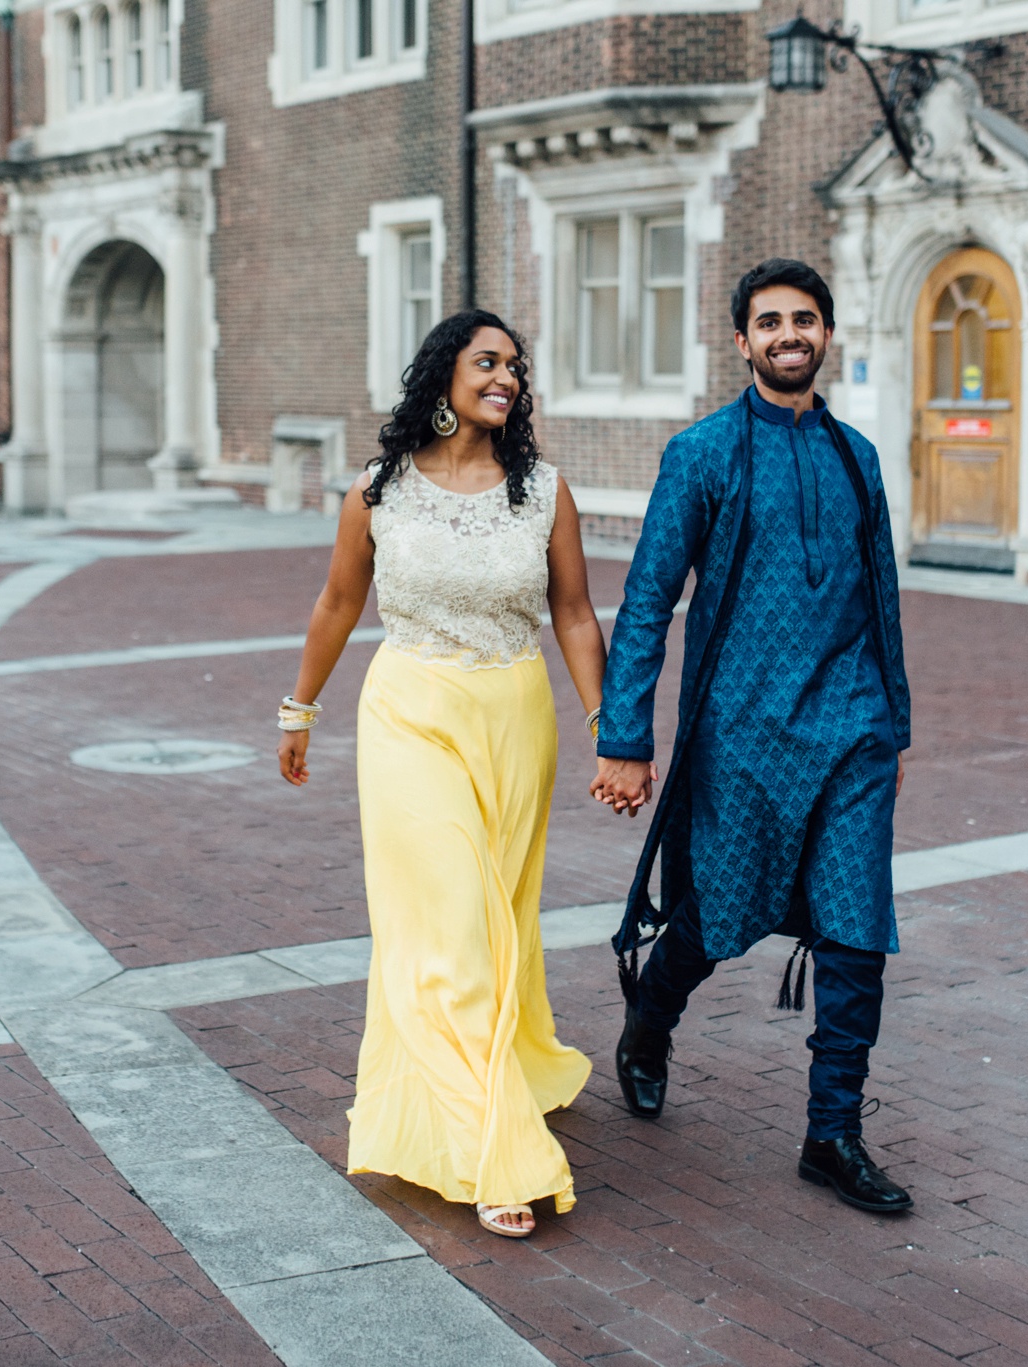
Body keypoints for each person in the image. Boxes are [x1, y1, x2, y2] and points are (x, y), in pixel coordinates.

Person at [589, 259, 915, 1214]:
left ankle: (834, 1133)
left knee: (857, 930)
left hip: (851, 729)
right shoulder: (703, 453)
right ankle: (652, 1016)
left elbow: (882, 599)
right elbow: (647, 603)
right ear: (742, 340)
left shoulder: (859, 456)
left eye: (804, 320)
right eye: (769, 320)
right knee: (720, 913)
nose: (788, 334)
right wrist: (626, 737)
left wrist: (893, 724)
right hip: (740, 733)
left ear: (825, 335)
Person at [277, 310, 605, 1238]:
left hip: (513, 716)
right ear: (444, 377)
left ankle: (514, 1062)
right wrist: (298, 708)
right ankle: (491, 1146)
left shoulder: (541, 492)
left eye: (515, 366)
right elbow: (341, 602)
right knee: (449, 929)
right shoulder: (378, 491)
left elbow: (575, 614)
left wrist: (606, 721)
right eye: (487, 361)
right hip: (409, 715)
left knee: (500, 917)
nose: (505, 377)